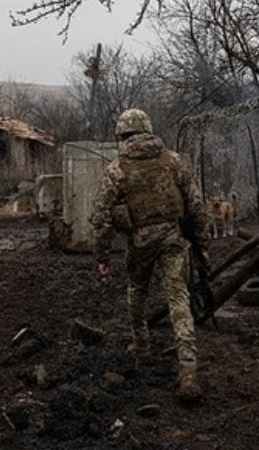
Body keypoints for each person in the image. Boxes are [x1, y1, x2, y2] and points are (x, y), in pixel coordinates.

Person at [90, 108, 208, 402]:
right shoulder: (174, 161)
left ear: (123, 136)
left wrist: (103, 258)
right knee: (179, 299)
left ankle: (142, 348)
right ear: (148, 130)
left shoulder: (117, 169)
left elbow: (101, 218)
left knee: (137, 293)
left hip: (140, 244)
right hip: (173, 240)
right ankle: (188, 369)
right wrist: (202, 243)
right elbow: (195, 204)